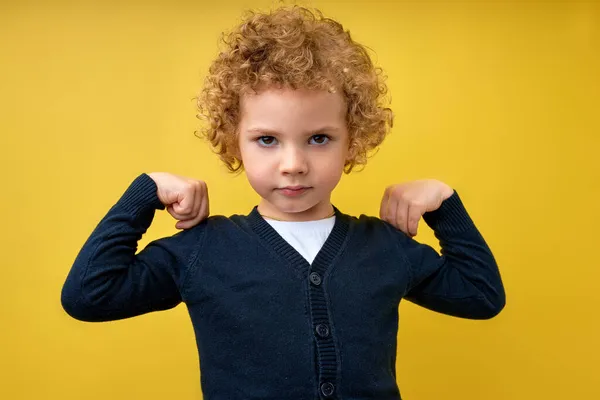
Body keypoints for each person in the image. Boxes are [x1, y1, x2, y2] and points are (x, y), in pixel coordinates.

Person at [61, 5, 505, 400]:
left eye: (318, 139)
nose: (293, 164)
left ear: (353, 141)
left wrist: (444, 205)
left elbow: (482, 296)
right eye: (268, 140)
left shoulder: (385, 247)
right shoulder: (203, 250)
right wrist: (145, 192)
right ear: (233, 141)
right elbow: (89, 296)